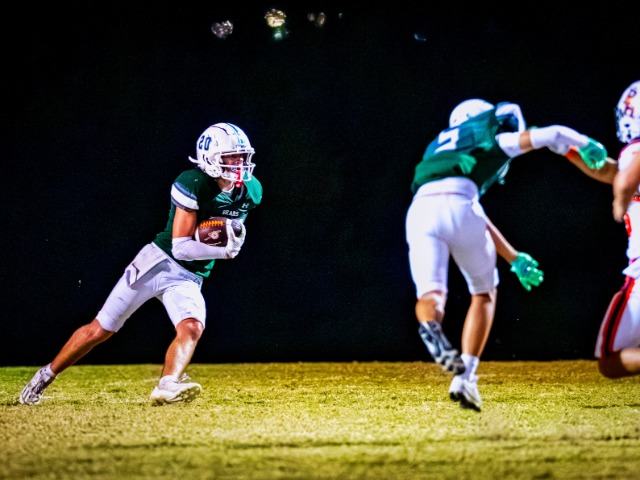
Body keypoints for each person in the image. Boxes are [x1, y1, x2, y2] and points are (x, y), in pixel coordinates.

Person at [19, 122, 262, 406]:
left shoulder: (251, 190)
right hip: (158, 263)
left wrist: (229, 240)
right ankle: (45, 375)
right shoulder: (193, 182)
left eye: (242, 156)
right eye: (232, 157)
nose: (239, 163)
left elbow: (228, 232)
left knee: (192, 328)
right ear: (210, 157)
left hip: (190, 276)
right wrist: (226, 252)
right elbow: (181, 247)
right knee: (101, 330)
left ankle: (167, 385)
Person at [406, 98, 605, 411]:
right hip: (462, 204)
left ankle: (431, 326)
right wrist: (587, 143)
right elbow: (553, 134)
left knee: (432, 295)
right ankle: (465, 378)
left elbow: (473, 211)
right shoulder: (489, 138)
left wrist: (513, 257)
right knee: (483, 293)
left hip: (420, 210)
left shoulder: (437, 148)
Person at [564, 80, 640, 378]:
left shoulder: (635, 150)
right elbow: (613, 172)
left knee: (609, 360)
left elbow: (626, 176)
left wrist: (621, 199)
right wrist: (569, 152)